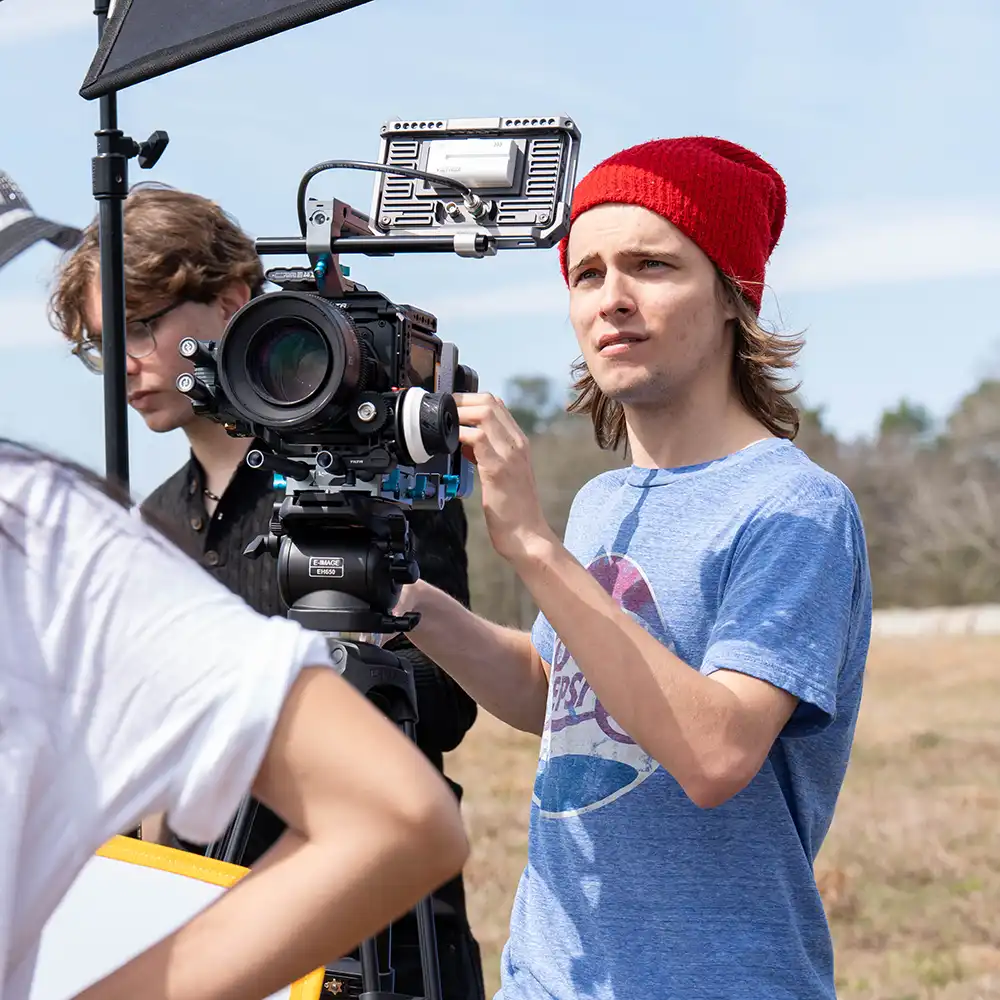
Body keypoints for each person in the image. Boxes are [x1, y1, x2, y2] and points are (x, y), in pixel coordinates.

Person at [391, 137, 874, 999]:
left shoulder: (794, 506)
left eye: (652, 265)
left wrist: (532, 545)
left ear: (731, 296)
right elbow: (556, 693)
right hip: (550, 978)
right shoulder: (604, 500)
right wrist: (408, 601)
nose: (612, 298)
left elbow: (716, 754)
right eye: (587, 274)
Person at [48, 184, 485, 999]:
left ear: (232, 302)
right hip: (212, 935)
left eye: (141, 326)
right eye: (106, 346)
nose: (126, 365)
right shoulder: (149, 523)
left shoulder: (370, 476)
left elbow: (444, 700)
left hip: (378, 933)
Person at [0, 438, 469, 1000]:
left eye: (142, 341)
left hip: (391, 923)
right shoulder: (150, 513)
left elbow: (446, 709)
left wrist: (330, 687)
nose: (129, 381)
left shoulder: (42, 525)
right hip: (211, 889)